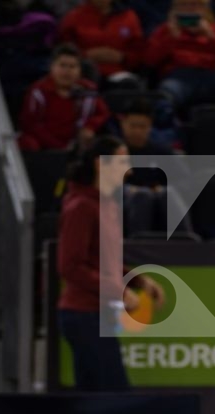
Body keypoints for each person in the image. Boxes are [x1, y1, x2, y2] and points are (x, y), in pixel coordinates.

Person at [57, 138, 165, 386]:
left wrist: (138, 281)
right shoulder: (81, 207)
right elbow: (70, 266)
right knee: (115, 395)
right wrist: (122, 291)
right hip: (83, 314)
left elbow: (104, 262)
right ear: (100, 164)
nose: (129, 169)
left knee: (97, 399)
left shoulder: (107, 205)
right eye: (121, 161)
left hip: (98, 314)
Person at [141, 0, 215, 114]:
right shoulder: (165, 31)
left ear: (204, 9)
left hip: (211, 77)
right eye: (184, 5)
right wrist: (172, 37)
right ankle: (169, 127)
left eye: (195, 5)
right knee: (167, 92)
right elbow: (149, 61)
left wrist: (212, 37)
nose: (190, 9)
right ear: (175, 10)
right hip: (180, 78)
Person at [17, 43, 113, 151]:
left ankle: (132, 165)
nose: (67, 71)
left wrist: (89, 127)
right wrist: (59, 147)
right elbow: (30, 124)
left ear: (80, 70)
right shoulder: (38, 91)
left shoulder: (88, 90)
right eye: (62, 65)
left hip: (77, 145)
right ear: (51, 67)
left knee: (110, 146)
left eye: (72, 66)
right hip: (45, 146)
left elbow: (103, 113)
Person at [57, 0, 147, 82]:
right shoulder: (73, 17)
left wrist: (123, 57)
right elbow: (63, 50)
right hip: (81, 74)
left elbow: (139, 52)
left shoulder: (129, 17)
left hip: (118, 74)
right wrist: (84, 55)